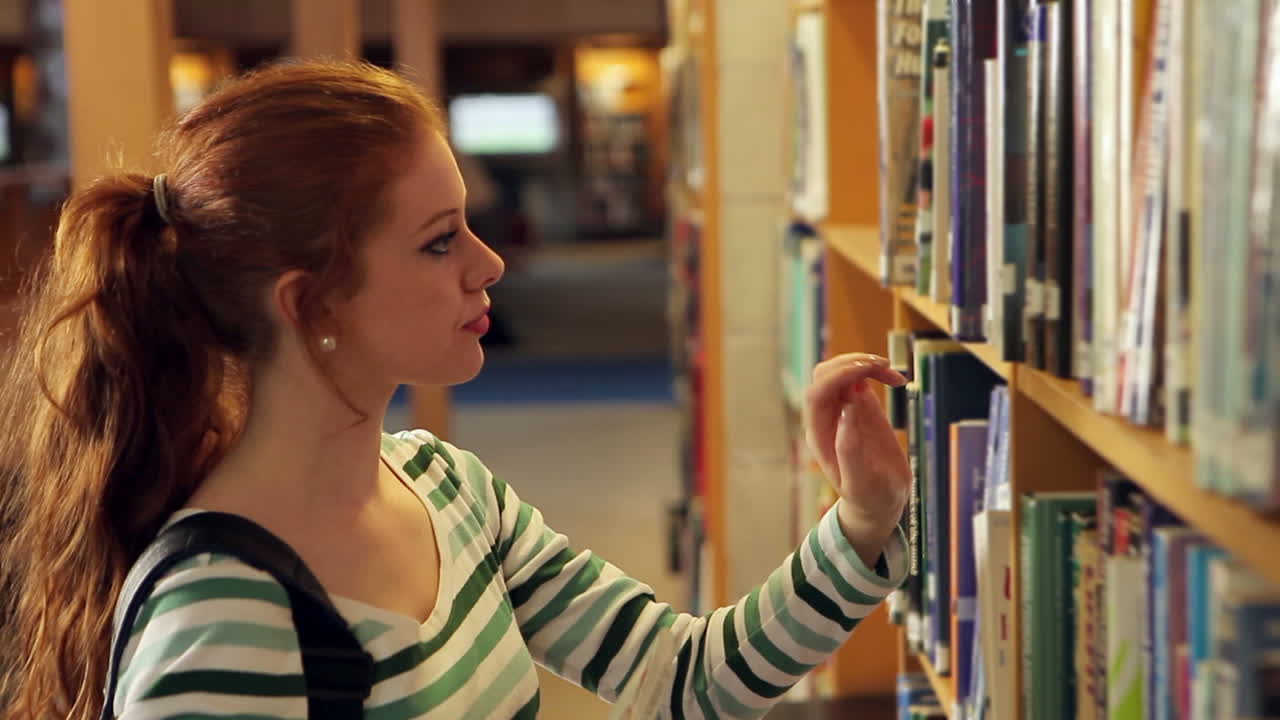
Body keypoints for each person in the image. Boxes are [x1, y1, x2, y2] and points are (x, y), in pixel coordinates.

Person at [0, 60, 911, 720]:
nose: (490, 262)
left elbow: (681, 675)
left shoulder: (447, 489)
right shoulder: (220, 625)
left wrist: (861, 524)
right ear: (309, 300)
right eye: (440, 240)